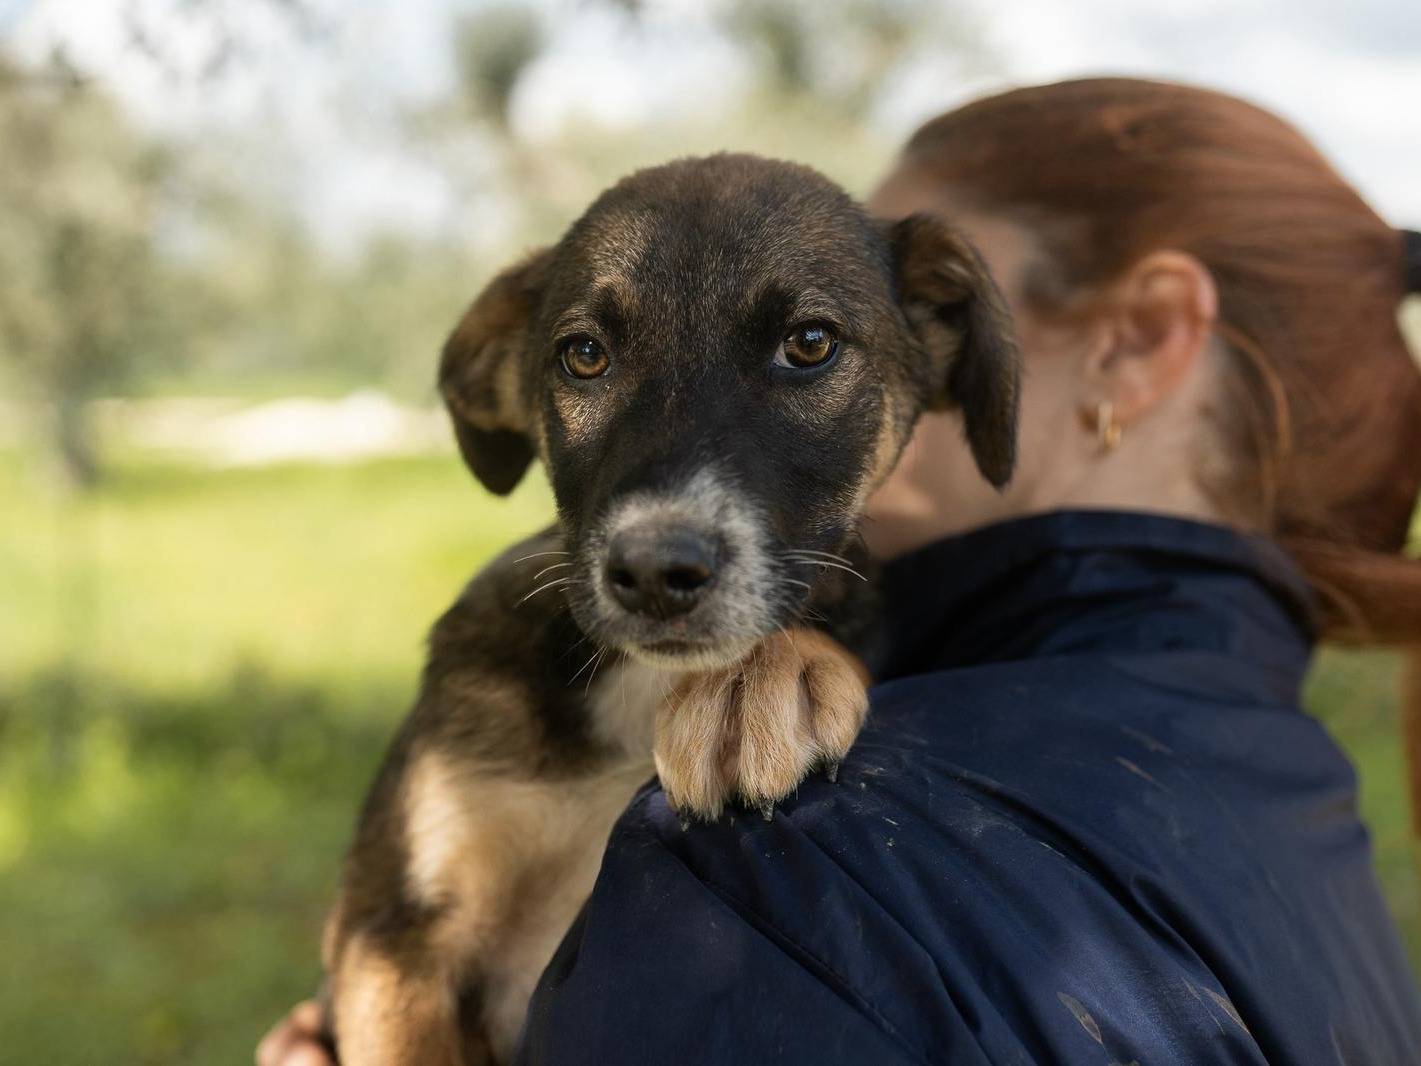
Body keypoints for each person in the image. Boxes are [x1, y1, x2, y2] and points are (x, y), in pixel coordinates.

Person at [259, 77, 1421, 1065]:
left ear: (1126, 341)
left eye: (814, 340)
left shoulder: (804, 873)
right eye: (585, 354)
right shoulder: (1294, 808)